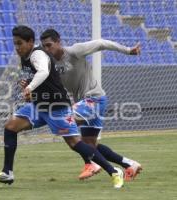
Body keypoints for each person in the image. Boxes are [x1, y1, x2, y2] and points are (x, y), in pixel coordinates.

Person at [0, 25, 124, 189]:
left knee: (75, 144)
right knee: (10, 126)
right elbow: (38, 79)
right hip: (38, 106)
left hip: (56, 107)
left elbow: (43, 72)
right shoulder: (25, 56)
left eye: (19, 43)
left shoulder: (38, 55)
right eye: (15, 44)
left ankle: (114, 171)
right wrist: (28, 85)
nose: (17, 47)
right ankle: (7, 172)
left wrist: (29, 88)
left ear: (30, 42)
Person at [39, 28, 142, 181]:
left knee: (65, 122)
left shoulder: (74, 51)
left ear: (58, 42)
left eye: (49, 45)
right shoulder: (49, 64)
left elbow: (101, 43)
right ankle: (129, 164)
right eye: (44, 47)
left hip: (94, 99)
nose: (47, 49)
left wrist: (128, 50)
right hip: (86, 102)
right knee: (90, 145)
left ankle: (91, 163)